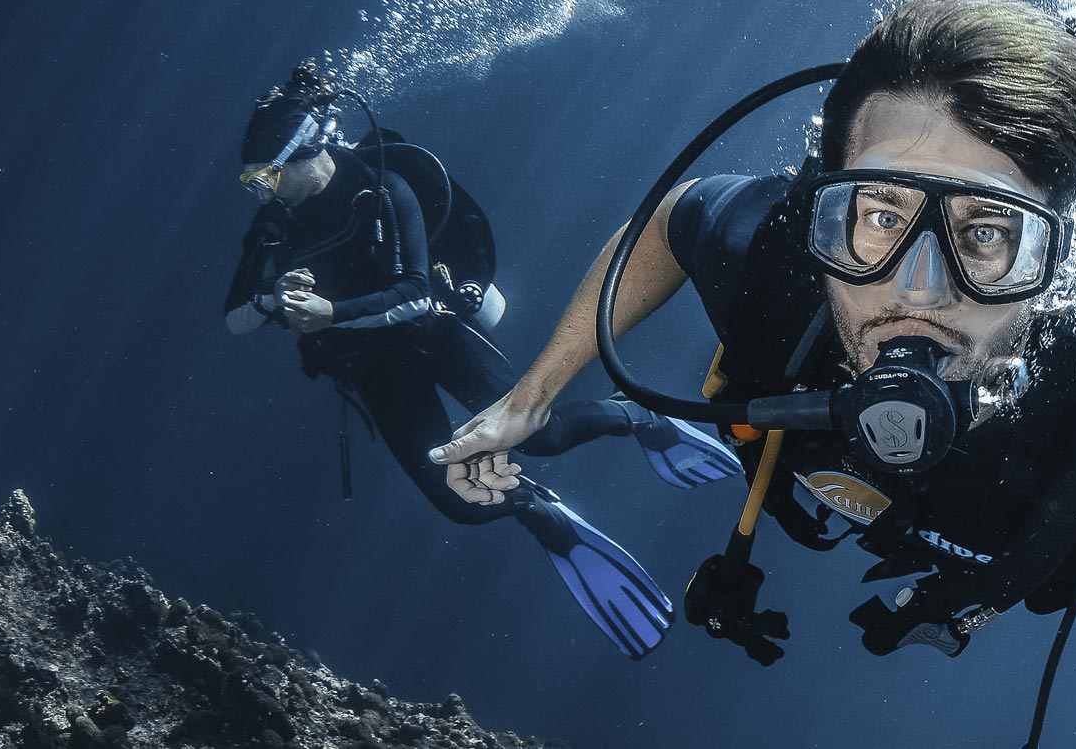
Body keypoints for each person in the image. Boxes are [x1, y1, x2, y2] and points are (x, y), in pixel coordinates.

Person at [430, 0, 1076, 746]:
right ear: (829, 197)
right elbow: (671, 220)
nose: (916, 290)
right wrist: (530, 394)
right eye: (881, 213)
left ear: (1066, 252)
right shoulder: (778, 248)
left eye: (986, 233)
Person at [222, 62, 743, 658]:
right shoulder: (274, 224)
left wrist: (330, 313)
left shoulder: (383, 188)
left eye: (265, 175)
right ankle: (538, 511)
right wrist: (272, 296)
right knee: (457, 503)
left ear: (306, 149)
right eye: (250, 183)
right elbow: (233, 317)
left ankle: (636, 416)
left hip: (432, 335)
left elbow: (415, 293)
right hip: (370, 367)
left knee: (540, 439)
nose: (261, 191)